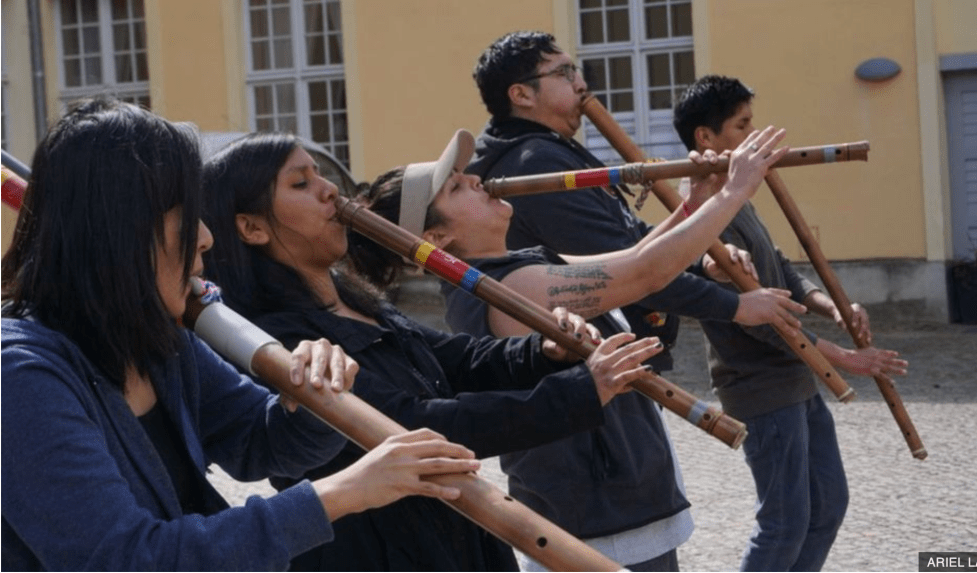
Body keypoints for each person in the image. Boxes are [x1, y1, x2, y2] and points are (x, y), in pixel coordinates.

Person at [0, 98, 484, 571]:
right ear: (121, 233)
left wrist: (311, 396)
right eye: (187, 217)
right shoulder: (20, 376)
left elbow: (260, 442)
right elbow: (126, 559)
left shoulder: (157, 340)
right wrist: (343, 492)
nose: (206, 237)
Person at [201, 131, 665, 571]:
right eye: (301, 184)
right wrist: (580, 392)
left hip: (456, 527)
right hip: (382, 552)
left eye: (320, 175)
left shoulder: (351, 297)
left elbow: (454, 360)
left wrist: (543, 353)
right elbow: (416, 423)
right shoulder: (278, 341)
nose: (330, 190)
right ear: (252, 227)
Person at [355, 125, 799, 571]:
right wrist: (735, 192)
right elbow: (645, 273)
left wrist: (695, 203)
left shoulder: (517, 264)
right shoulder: (508, 288)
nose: (474, 178)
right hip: (599, 514)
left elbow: (632, 260)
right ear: (436, 239)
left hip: (612, 497)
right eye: (455, 187)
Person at [672, 74, 909, 571]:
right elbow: (761, 322)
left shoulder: (736, 193)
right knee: (784, 523)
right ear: (706, 138)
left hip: (797, 379)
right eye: (742, 126)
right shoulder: (700, 216)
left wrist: (832, 306)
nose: (753, 136)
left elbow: (780, 269)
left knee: (828, 506)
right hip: (761, 388)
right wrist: (845, 359)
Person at [467, 30, 802, 375]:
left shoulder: (549, 149)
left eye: (576, 70)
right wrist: (735, 306)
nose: (581, 84)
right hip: (584, 369)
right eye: (564, 73)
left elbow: (631, 240)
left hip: (608, 363)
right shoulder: (534, 163)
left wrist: (697, 253)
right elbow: (631, 271)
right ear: (521, 94)